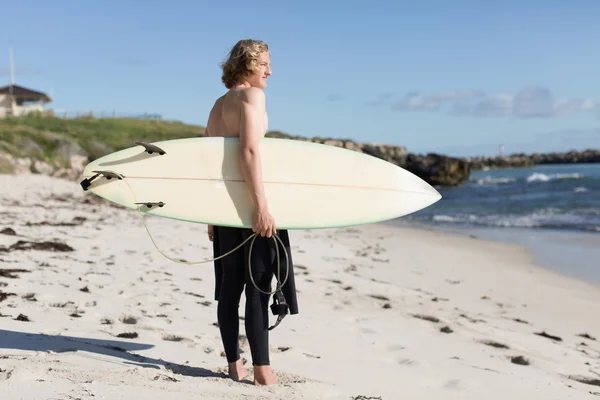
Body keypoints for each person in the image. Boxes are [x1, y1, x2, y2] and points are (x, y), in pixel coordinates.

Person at [204, 39, 299, 386]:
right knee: (258, 287)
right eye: (265, 65)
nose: (270, 72)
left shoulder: (216, 107)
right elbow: (248, 153)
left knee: (231, 288)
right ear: (247, 65)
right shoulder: (252, 97)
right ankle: (263, 372)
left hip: (225, 208)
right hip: (249, 207)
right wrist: (261, 207)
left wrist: (210, 215)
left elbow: (210, 164)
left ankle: (234, 365)